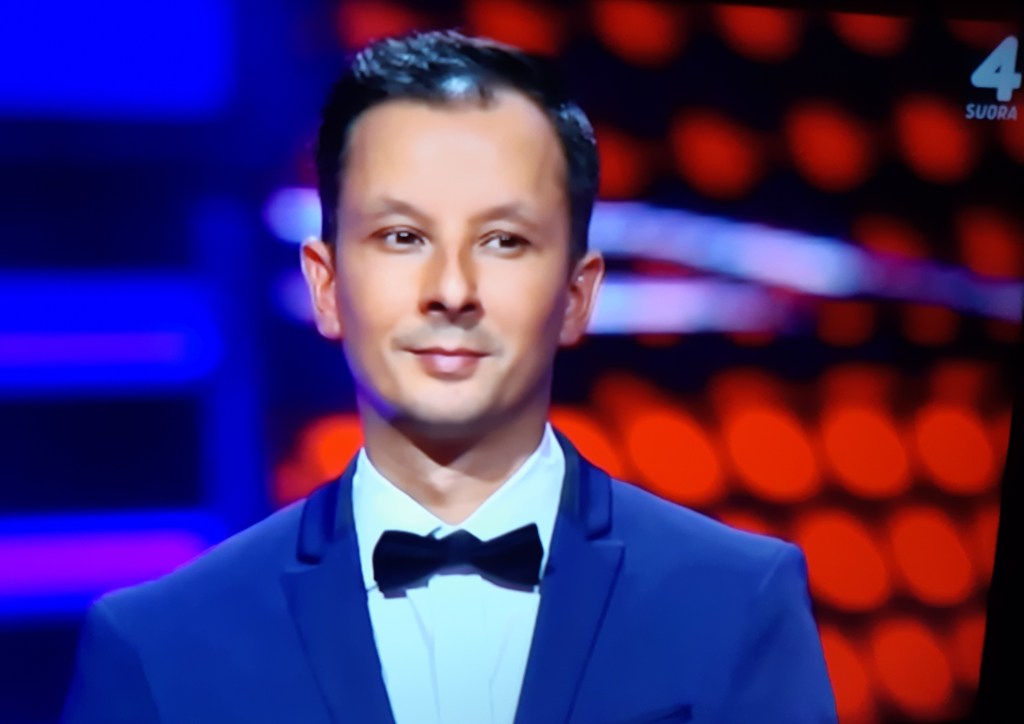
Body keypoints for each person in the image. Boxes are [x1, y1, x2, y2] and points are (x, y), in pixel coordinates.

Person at [62, 30, 837, 723]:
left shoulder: (737, 602)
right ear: (325, 286)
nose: (453, 289)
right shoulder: (159, 646)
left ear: (577, 295)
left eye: (503, 241)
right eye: (402, 236)